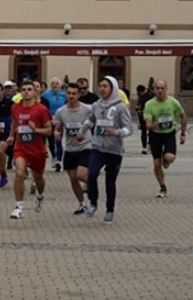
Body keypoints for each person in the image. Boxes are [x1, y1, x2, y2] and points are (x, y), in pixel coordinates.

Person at [77, 76, 132, 225]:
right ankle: (93, 204)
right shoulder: (96, 105)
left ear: (113, 88)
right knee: (92, 174)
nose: (102, 89)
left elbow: (129, 129)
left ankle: (109, 210)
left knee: (110, 182)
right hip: (97, 148)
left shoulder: (120, 107)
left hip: (114, 151)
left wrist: (117, 132)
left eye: (105, 86)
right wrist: (82, 131)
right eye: (100, 86)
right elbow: (91, 120)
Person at [6, 81, 52, 219]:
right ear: (20, 92)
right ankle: (19, 206)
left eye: (29, 89)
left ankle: (40, 195)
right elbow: (15, 122)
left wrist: (36, 129)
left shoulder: (41, 109)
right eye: (24, 89)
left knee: (38, 179)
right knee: (19, 173)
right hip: (21, 148)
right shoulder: (15, 108)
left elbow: (49, 130)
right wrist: (11, 135)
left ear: (35, 92)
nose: (26, 92)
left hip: (37, 150)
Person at [52, 83, 93, 215]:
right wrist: (56, 133)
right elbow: (57, 128)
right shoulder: (61, 111)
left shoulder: (87, 109)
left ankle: (93, 184)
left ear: (79, 95)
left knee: (80, 174)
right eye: (69, 93)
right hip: (70, 149)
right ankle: (82, 204)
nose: (71, 96)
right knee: (73, 178)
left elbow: (97, 122)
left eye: (74, 93)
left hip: (85, 146)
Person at [143, 79, 187, 198]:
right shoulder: (149, 104)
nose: (160, 91)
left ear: (166, 89)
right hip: (155, 135)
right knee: (157, 164)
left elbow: (183, 116)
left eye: (162, 88)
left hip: (169, 134)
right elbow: (147, 124)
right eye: (158, 88)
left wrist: (183, 133)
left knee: (170, 157)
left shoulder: (173, 102)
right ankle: (162, 187)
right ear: (154, 90)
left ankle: (165, 160)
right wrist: (152, 125)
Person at [41, 77, 67, 171]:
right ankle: (54, 156)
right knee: (51, 140)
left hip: (60, 119)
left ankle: (59, 160)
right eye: (53, 84)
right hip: (49, 119)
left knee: (59, 139)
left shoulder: (64, 95)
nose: (55, 85)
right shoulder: (45, 95)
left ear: (60, 85)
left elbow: (67, 106)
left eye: (57, 83)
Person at [134, 84, 154, 154]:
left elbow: (153, 105)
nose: (140, 95)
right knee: (143, 131)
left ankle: (150, 145)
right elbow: (139, 102)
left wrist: (144, 111)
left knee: (151, 131)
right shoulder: (140, 95)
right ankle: (144, 147)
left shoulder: (152, 95)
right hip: (142, 116)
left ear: (144, 91)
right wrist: (138, 107)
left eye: (140, 93)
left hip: (150, 115)